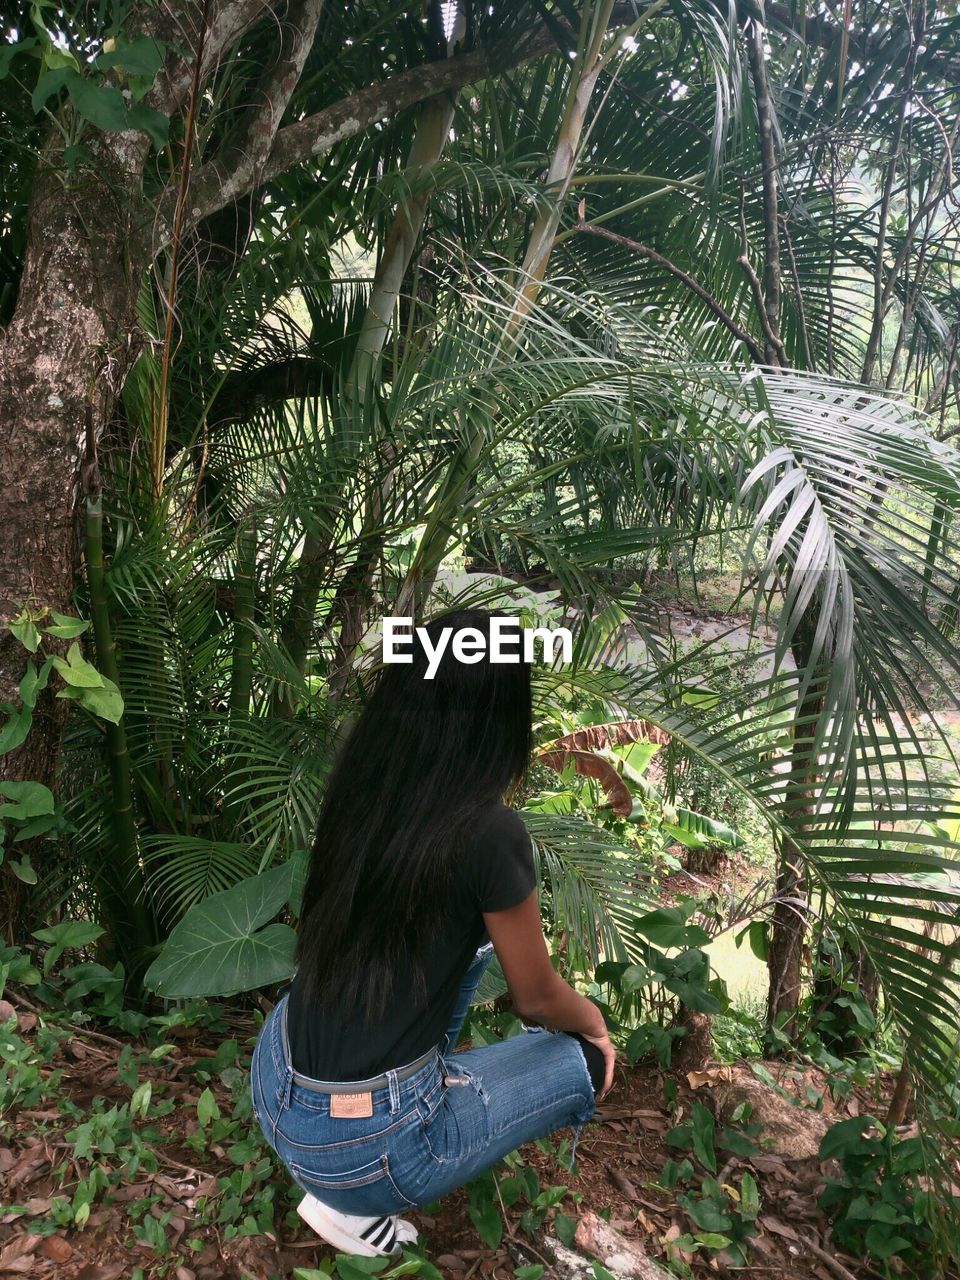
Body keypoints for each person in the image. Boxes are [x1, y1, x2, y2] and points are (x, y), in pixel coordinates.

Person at [249, 608, 616, 1258]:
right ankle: (351, 1203)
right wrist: (594, 1025)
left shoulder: (366, 785)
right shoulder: (490, 834)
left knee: (470, 938)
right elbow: (534, 999)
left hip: (277, 1077)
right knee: (581, 1063)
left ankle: (355, 1151)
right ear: (501, 717)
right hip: (364, 1146)